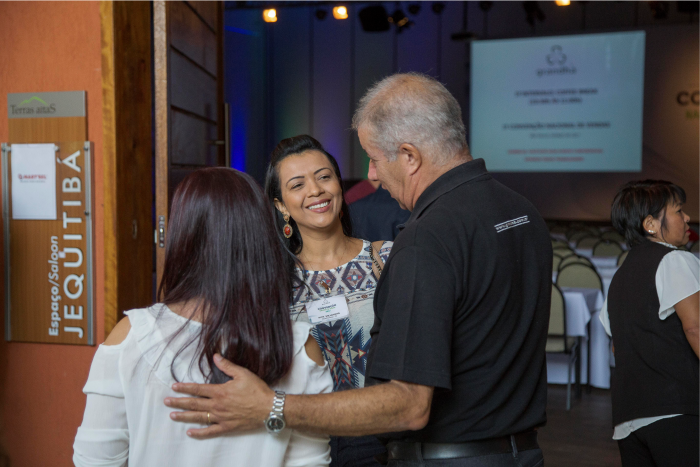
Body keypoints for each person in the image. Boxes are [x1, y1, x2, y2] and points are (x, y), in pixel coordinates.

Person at [165, 73, 552, 467]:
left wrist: (271, 405)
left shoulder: (421, 241)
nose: (370, 175)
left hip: (447, 455)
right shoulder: (524, 212)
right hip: (520, 452)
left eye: (376, 158)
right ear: (280, 203)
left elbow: (409, 405)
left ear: (410, 156)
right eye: (297, 184)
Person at [73, 168, 332, 467]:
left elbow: (94, 462)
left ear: (183, 236)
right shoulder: (300, 347)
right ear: (262, 239)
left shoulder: (130, 336)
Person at [265, 135, 393, 466]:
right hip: (303, 440)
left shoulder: (387, 259)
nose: (316, 190)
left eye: (324, 177)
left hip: (383, 439)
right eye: (297, 185)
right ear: (281, 205)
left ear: (339, 184)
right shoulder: (272, 283)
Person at [600, 180, 700, 467]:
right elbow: (696, 329)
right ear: (651, 224)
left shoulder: (619, 277)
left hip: (628, 419)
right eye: (679, 211)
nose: (687, 218)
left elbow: (618, 348)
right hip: (675, 411)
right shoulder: (676, 260)